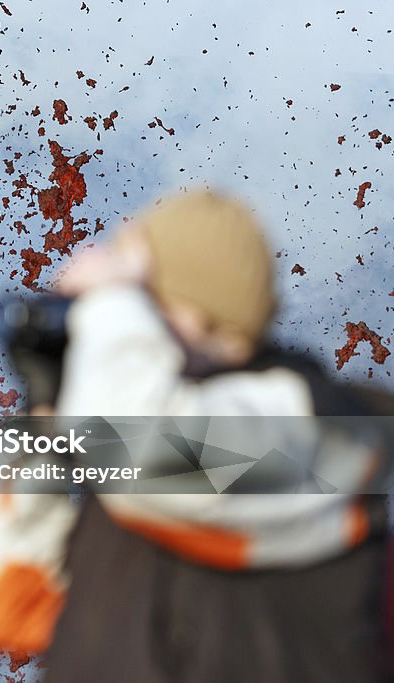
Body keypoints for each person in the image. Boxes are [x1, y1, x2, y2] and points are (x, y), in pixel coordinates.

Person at [37, 190, 392, 682]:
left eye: (141, 296)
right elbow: (5, 610)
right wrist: (41, 420)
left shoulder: (313, 429)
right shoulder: (121, 461)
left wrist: (112, 306)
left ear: (200, 314)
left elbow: (140, 448)